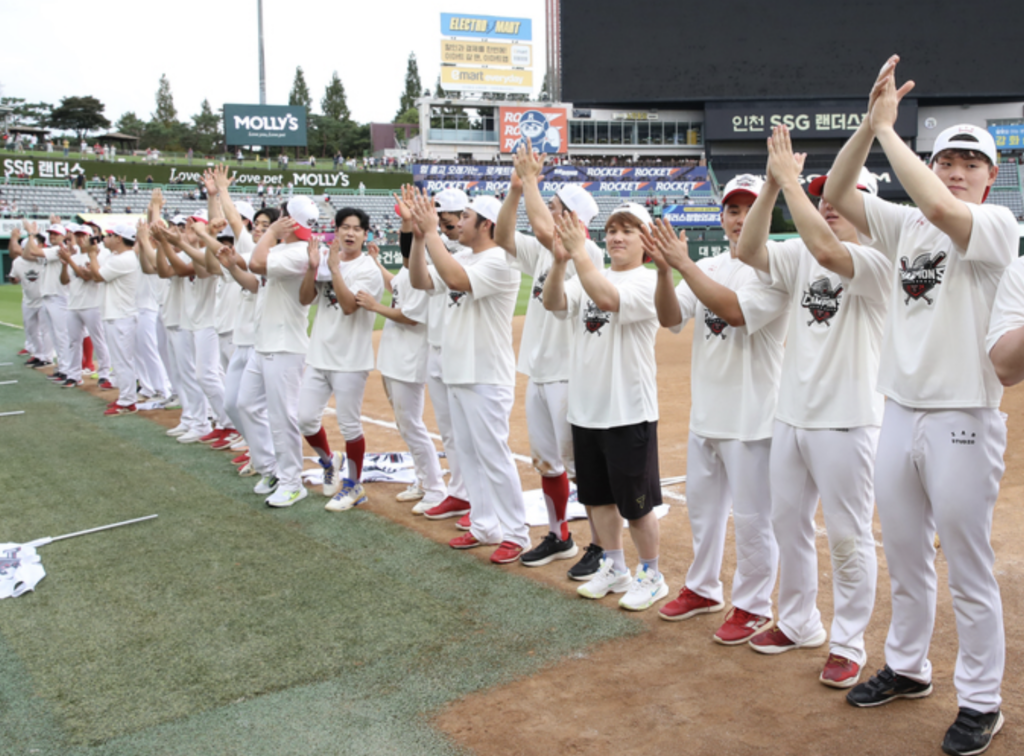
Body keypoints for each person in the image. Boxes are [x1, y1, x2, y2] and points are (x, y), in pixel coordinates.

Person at [824, 56, 1017, 756]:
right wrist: (866, 128)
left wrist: (888, 135)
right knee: (906, 554)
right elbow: (841, 193)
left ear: (991, 176)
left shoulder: (995, 226)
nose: (958, 170)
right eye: (948, 159)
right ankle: (907, 667)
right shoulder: (905, 229)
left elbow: (939, 205)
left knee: (965, 562)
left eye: (971, 161)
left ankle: (982, 700)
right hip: (899, 409)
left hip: (964, 413)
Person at [737, 126, 891, 690]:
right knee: (790, 525)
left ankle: (849, 640)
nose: (827, 206)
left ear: (867, 207)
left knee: (848, 533)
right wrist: (775, 191)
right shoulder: (802, 252)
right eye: (821, 198)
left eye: (839, 199)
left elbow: (829, 250)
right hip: (792, 416)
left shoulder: (877, 261)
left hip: (848, 419)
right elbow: (748, 251)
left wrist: (790, 182)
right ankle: (799, 621)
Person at [646, 174, 788, 642]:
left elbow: (733, 312)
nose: (740, 218)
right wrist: (667, 271)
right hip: (707, 411)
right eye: (732, 209)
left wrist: (684, 265)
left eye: (749, 208)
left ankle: (752, 605)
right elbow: (670, 317)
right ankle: (704, 587)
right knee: (704, 513)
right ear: (722, 215)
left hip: (752, 416)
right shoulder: (707, 264)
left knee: (752, 518)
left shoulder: (774, 269)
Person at [543, 203, 666, 611]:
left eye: (628, 230)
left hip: (627, 409)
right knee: (596, 498)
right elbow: (554, 303)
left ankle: (652, 574)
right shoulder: (589, 274)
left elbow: (609, 299)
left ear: (646, 241)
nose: (616, 236)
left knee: (636, 502)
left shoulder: (647, 282)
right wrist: (561, 263)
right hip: (586, 408)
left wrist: (579, 254)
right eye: (612, 229)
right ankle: (615, 567)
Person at [495, 139, 607, 577]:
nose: (549, 214)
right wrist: (517, 191)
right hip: (539, 371)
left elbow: (544, 230)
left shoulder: (589, 254)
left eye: (557, 206)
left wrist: (530, 181)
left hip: (569, 374)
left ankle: (601, 545)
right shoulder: (545, 250)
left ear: (574, 219)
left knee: (582, 466)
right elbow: (504, 235)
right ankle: (561, 535)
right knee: (547, 460)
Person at [409, 189, 528, 564]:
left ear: (486, 224)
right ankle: (483, 524)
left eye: (465, 217)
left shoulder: (500, 261)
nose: (457, 222)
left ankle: (516, 533)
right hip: (460, 370)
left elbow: (457, 281)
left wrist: (430, 234)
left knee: (493, 454)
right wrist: (417, 238)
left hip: (486, 373)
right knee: (470, 454)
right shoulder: (461, 255)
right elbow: (420, 281)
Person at [298, 208, 384, 511]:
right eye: (344, 228)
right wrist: (312, 268)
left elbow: (349, 307)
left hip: (350, 359)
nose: (349, 234)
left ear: (365, 234)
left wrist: (334, 270)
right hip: (319, 353)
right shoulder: (323, 261)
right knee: (305, 418)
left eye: (356, 229)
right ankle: (328, 462)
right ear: (335, 231)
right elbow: (305, 299)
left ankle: (354, 485)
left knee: (349, 425)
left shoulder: (368, 270)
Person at [238, 196, 320, 507]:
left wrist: (271, 232)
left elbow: (256, 263)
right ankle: (271, 468)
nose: (276, 219)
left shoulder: (298, 252)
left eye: (282, 215)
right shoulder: (284, 250)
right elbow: (254, 272)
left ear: (289, 221)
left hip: (285, 346)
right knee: (245, 404)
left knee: (282, 416)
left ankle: (291, 481)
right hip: (266, 344)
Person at [367, 195, 446, 513]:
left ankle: (435, 488)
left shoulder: (424, 272)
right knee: (405, 423)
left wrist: (376, 307)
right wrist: (376, 264)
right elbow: (396, 286)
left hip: (409, 358)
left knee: (411, 423)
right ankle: (424, 479)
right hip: (394, 356)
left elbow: (411, 315)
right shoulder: (407, 270)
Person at [86, 223, 141, 415]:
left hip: (121, 316)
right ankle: (126, 397)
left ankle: (128, 401)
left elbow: (98, 276)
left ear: (119, 238)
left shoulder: (125, 258)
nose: (104, 238)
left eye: (109, 235)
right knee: (119, 361)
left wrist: (92, 256)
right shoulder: (118, 256)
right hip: (117, 314)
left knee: (122, 361)